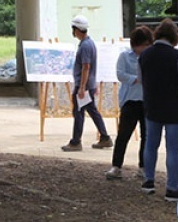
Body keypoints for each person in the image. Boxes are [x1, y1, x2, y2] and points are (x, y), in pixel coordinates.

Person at [138, 18, 178, 200]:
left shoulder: (144, 55)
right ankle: (171, 187)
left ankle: (148, 180)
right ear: (174, 37)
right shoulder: (177, 56)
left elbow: (141, 78)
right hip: (174, 109)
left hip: (152, 105)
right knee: (172, 149)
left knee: (150, 145)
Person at [106, 24, 153, 180]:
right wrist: (136, 79)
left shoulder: (150, 57)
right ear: (135, 44)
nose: (145, 48)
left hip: (147, 100)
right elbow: (120, 74)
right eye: (143, 45)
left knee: (147, 135)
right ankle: (116, 166)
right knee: (123, 135)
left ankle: (143, 167)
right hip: (130, 100)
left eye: (148, 45)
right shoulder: (125, 56)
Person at [62, 15, 113, 151]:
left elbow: (86, 67)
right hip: (88, 85)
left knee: (79, 113)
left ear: (76, 29)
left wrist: (82, 87)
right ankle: (105, 137)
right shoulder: (90, 43)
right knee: (92, 111)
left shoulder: (85, 46)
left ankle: (76, 142)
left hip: (83, 86)